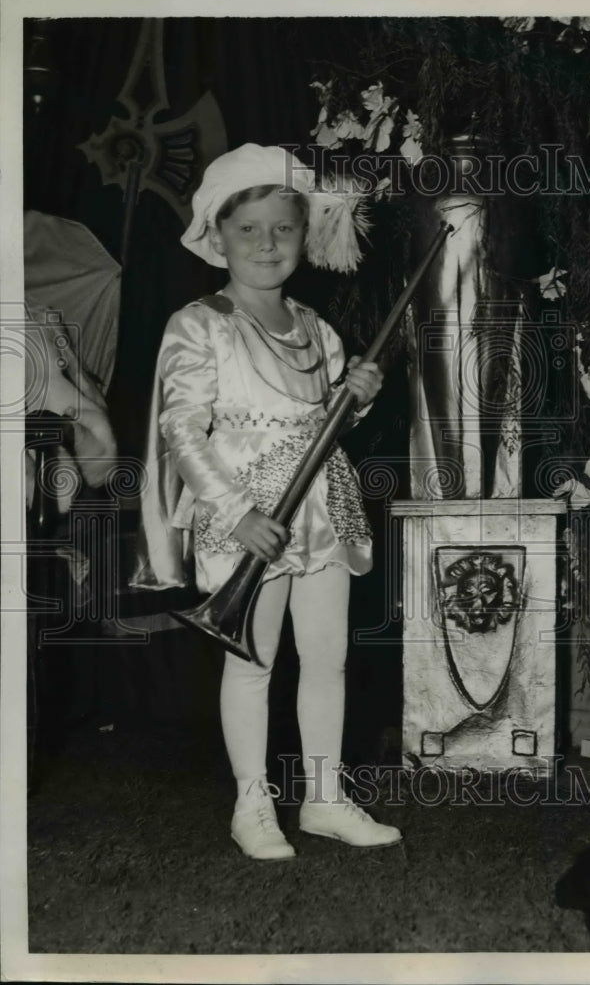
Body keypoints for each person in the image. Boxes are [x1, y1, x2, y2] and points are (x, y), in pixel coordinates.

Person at [141, 144, 401, 860]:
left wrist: (356, 404)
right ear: (216, 236)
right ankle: (252, 802)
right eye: (248, 229)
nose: (266, 243)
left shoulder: (317, 329)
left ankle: (323, 798)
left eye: (282, 229)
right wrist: (234, 512)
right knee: (252, 661)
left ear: (303, 239)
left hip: (320, 509)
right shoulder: (199, 324)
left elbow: (324, 427)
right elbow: (180, 432)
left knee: (327, 657)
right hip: (249, 514)